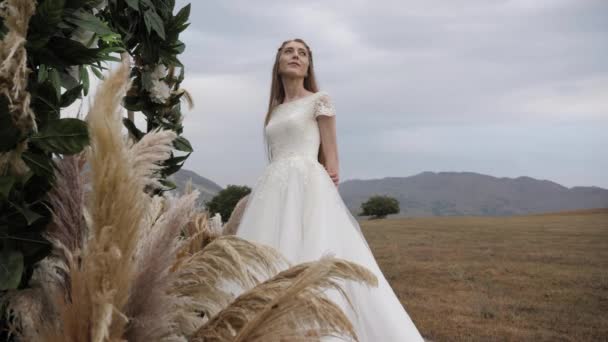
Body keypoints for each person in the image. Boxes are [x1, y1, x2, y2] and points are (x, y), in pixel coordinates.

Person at [235, 38, 425, 341]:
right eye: (289, 52)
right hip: (273, 189)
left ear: (309, 65)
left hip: (308, 184)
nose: (295, 56)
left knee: (311, 253)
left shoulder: (319, 100)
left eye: (303, 53)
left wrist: (323, 195)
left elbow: (332, 158)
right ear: (279, 62)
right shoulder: (273, 110)